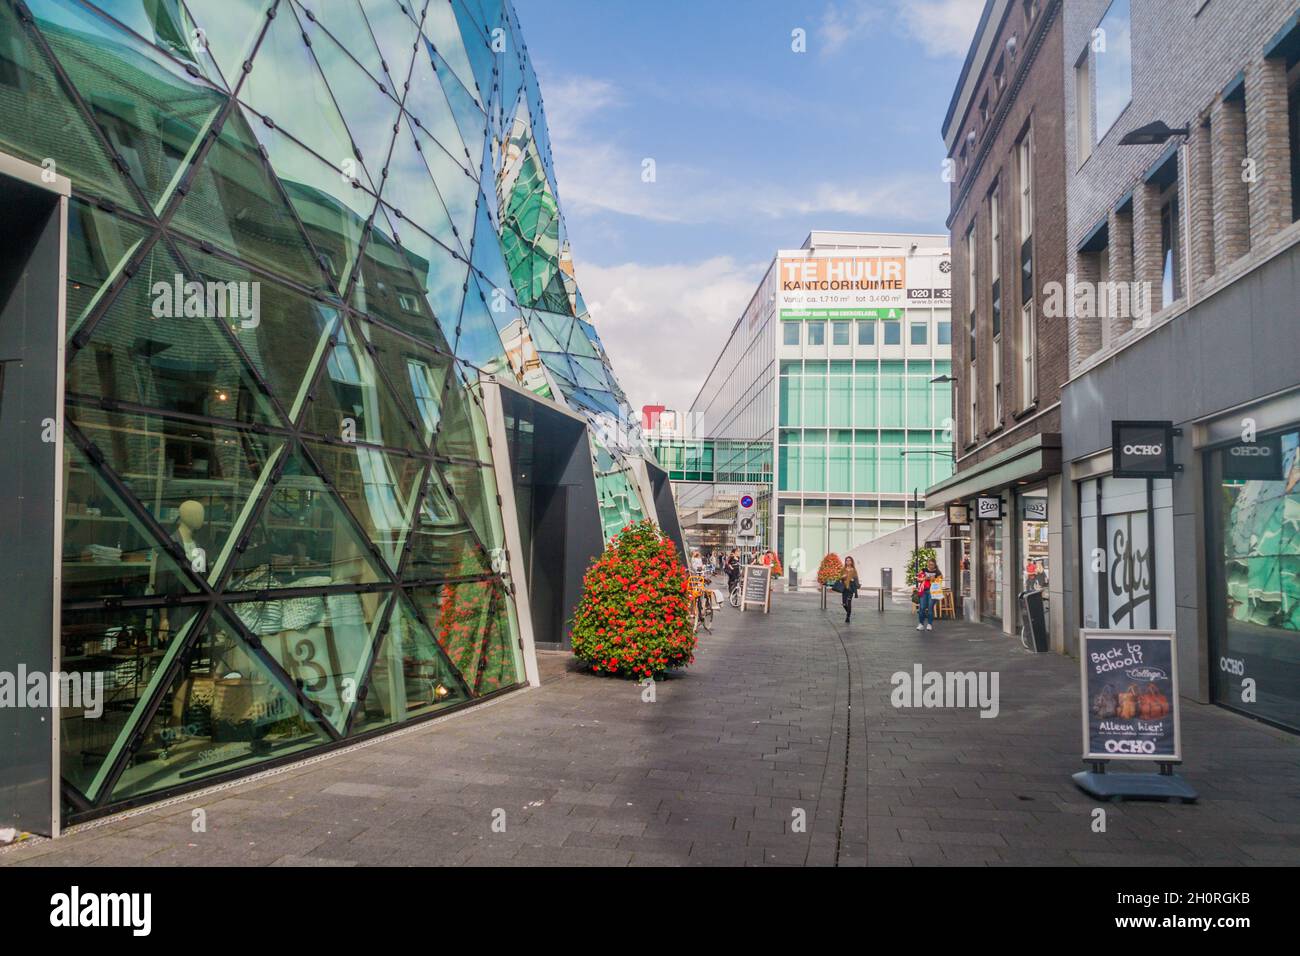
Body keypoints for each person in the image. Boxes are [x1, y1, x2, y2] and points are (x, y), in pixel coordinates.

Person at [916, 560, 937, 631]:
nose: (930, 566)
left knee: (930, 607)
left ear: (935, 565)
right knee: (922, 607)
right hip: (924, 591)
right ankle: (921, 624)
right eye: (929, 564)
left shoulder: (937, 571)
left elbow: (940, 579)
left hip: (932, 591)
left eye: (932, 565)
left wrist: (934, 579)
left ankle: (929, 624)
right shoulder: (923, 570)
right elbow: (918, 579)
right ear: (927, 564)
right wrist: (924, 578)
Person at [840, 555, 860, 623]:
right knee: (844, 604)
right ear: (845, 562)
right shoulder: (843, 569)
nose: (848, 561)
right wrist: (842, 577)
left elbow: (857, 579)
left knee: (849, 602)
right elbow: (839, 578)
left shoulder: (854, 570)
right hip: (844, 588)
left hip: (851, 588)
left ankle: (848, 617)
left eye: (849, 560)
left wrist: (853, 579)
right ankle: (848, 613)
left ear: (851, 562)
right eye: (847, 560)